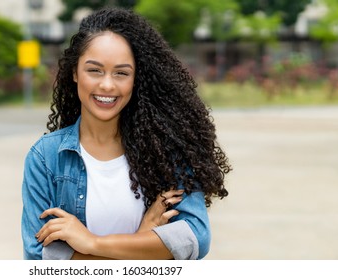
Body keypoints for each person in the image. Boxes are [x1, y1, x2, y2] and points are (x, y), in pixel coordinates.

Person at [21, 7, 230, 260]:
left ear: (135, 79)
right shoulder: (46, 157)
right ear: (75, 73)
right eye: (94, 70)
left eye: (121, 73)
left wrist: (92, 243)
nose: (107, 85)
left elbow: (194, 237)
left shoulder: (167, 149)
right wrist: (143, 242)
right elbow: (40, 258)